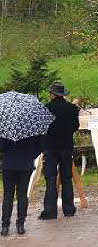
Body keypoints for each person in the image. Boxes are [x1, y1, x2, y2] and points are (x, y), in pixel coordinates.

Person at [40, 81, 79, 220]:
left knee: (50, 179)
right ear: (62, 95)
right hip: (67, 147)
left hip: (50, 148)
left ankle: (50, 211)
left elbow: (42, 129)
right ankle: (69, 209)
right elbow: (76, 126)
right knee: (67, 178)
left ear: (52, 95)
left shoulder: (46, 108)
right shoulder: (72, 108)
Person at [2, 133, 43, 236]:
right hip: (25, 164)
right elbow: (40, 146)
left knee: (8, 196)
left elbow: (1, 146)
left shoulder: (7, 128)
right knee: (22, 195)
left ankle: (5, 226)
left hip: (9, 164)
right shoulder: (32, 127)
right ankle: (20, 225)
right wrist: (30, 155)